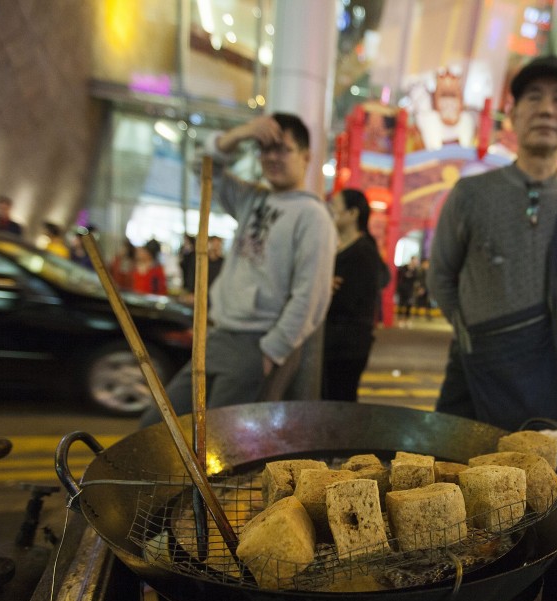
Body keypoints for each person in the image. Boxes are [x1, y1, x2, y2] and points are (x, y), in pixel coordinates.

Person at [429, 55, 557, 431]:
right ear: (513, 115)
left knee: (534, 487)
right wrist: (469, 335)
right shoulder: (471, 194)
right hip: (471, 374)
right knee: (445, 482)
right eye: (533, 98)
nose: (545, 109)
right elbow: (441, 275)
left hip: (541, 380)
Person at [138, 112, 335, 428]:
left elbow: (312, 296)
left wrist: (271, 352)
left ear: (306, 156)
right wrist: (241, 133)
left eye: (282, 149)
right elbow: (201, 167)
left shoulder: (313, 216)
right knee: (158, 424)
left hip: (257, 342)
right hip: (219, 334)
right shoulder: (253, 198)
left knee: (219, 445)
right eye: (265, 149)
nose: (271, 157)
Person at [322, 188, 386, 401]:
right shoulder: (338, 247)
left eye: (335, 207)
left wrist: (321, 288)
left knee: (339, 404)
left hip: (346, 348)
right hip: (331, 343)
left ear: (352, 214)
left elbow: (350, 300)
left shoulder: (363, 252)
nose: (330, 211)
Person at [396, 256, 419, 322]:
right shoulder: (404, 268)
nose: (415, 262)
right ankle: (399, 318)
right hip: (402, 288)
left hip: (410, 289)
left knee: (409, 303)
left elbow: (415, 279)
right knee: (401, 303)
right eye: (414, 261)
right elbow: (400, 277)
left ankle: (407, 318)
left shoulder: (415, 270)